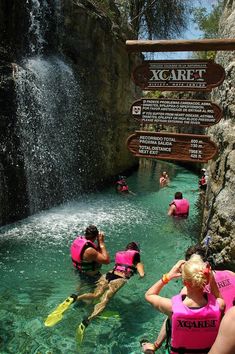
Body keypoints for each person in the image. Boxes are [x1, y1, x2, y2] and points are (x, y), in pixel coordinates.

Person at [145, 255, 224, 354]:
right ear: (206, 280)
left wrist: (168, 276)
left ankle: (156, 345)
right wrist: (211, 278)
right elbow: (218, 297)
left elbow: (149, 295)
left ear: (184, 282)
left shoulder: (172, 307)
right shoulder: (219, 306)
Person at [76, 242, 145, 342]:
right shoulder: (137, 261)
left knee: (96, 294)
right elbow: (142, 274)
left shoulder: (120, 255)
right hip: (119, 278)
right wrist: (142, 275)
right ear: (137, 251)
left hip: (108, 275)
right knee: (105, 300)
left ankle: (76, 297)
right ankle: (88, 320)